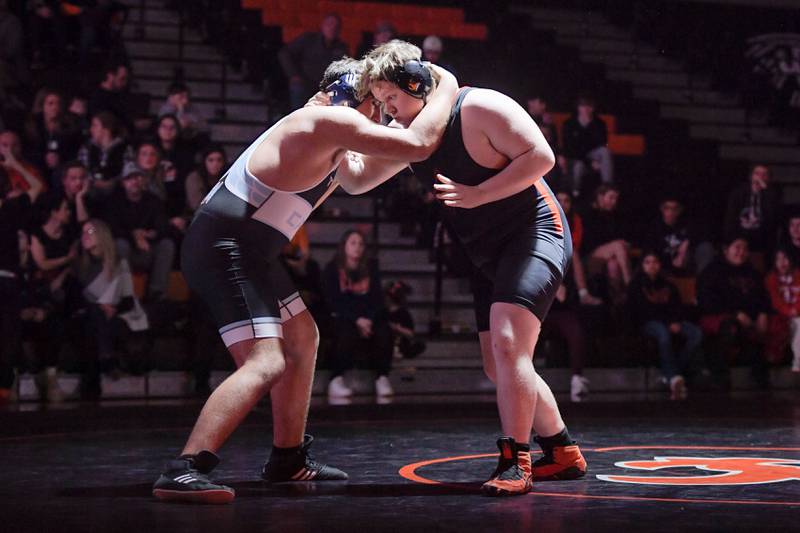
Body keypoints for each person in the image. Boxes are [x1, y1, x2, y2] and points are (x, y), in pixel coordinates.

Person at [151, 54, 458, 503]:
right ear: (351, 101)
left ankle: (288, 459)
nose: (381, 114)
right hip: (226, 247)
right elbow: (416, 145)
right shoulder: (320, 121)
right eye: (376, 104)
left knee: (303, 338)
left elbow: (366, 174)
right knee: (266, 360)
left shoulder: (331, 141)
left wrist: (409, 126)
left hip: (249, 249)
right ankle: (184, 468)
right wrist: (443, 82)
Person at [344, 40, 586, 496]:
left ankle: (516, 463)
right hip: (486, 251)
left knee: (510, 343)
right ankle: (561, 451)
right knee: (500, 365)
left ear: (416, 81)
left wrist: (480, 194)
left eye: (391, 98)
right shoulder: (415, 137)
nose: (389, 111)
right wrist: (334, 140)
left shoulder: (479, 107)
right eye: (381, 104)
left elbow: (542, 157)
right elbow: (358, 181)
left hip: (535, 234)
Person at [76, 218, 148, 399]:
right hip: (88, 314)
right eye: (83, 232)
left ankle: (93, 379)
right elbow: (75, 298)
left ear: (102, 236)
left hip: (115, 315)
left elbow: (128, 299)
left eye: (90, 232)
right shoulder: (80, 265)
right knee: (93, 318)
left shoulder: (117, 263)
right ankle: (106, 358)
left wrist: (112, 309)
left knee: (99, 325)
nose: (85, 236)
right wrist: (100, 306)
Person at [322, 229, 394, 398]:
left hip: (367, 317)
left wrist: (368, 319)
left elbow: (376, 298)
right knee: (346, 332)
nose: (357, 247)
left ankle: (382, 377)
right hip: (344, 316)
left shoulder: (371, 267)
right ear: (344, 246)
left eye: (361, 244)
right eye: (353, 243)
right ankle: (336, 379)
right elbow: (333, 300)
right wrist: (356, 319)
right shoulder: (333, 269)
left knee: (384, 330)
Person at [627, 252, 703, 400]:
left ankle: (672, 372)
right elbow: (640, 311)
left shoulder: (668, 285)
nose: (651, 265)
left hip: (671, 321)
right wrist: (667, 323)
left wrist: (674, 321)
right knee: (663, 334)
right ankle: (673, 375)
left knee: (695, 333)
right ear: (642, 265)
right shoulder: (635, 285)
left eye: (655, 261)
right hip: (647, 323)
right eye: (647, 262)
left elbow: (677, 307)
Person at [697, 236, 771, 388]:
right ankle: (720, 378)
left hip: (748, 318)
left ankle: (761, 379)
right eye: (737, 247)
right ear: (726, 250)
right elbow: (708, 300)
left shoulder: (752, 272)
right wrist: (735, 313)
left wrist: (762, 313)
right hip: (719, 316)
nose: (741, 252)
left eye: (745, 248)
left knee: (769, 328)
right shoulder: (712, 271)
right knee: (729, 327)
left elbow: (763, 296)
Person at [0, 159, 43, 404]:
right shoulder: (13, 207)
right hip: (8, 281)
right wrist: (16, 163)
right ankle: (5, 389)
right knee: (8, 336)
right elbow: (36, 186)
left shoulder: (13, 207)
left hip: (6, 281)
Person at [104, 164, 175, 301]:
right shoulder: (114, 201)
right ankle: (124, 293)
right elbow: (112, 228)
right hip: (126, 250)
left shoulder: (153, 200)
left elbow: (164, 227)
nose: (134, 181)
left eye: (138, 177)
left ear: (143, 180)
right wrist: (134, 236)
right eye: (130, 178)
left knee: (167, 244)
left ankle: (157, 292)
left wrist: (151, 234)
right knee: (120, 244)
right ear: (123, 182)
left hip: (147, 249)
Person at [278, 13, 348, 111]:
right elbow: (285, 53)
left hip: (325, 87)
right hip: (304, 83)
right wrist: (293, 74)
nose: (332, 28)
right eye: (329, 24)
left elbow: (344, 69)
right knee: (298, 89)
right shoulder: (308, 39)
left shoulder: (341, 48)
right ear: (323, 26)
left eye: (336, 26)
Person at [723, 164, 781, 258]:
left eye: (764, 174)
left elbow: (773, 218)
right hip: (740, 235)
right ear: (751, 176)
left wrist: (766, 190)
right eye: (757, 173)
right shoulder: (738, 193)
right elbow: (730, 219)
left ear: (769, 179)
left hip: (762, 237)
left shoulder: (773, 194)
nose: (760, 177)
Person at [561, 96, 613, 196]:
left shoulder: (599, 124)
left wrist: (595, 161)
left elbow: (602, 143)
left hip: (592, 155)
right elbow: (570, 149)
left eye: (589, 106)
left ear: (593, 108)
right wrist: (590, 162)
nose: (586, 109)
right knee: (578, 167)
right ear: (578, 107)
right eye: (583, 106)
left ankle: (607, 186)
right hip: (576, 158)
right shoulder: (569, 124)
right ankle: (574, 194)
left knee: (605, 152)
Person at [763, 248, 800, 372]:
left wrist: (795, 310)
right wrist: (788, 311)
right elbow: (775, 300)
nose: (782, 262)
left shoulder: (798, 275)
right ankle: (774, 360)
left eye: (785, 258)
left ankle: (798, 363)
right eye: (778, 259)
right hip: (779, 315)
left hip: (797, 314)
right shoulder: (771, 278)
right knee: (777, 325)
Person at [77, 111, 128, 192]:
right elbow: (82, 168)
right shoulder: (87, 147)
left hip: (116, 190)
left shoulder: (124, 148)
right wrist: (93, 181)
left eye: (95, 126)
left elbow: (128, 171)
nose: (91, 129)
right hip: (91, 189)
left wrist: (113, 182)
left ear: (106, 129)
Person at [185, 144, 226, 215]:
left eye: (219, 160)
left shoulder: (226, 178)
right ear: (204, 162)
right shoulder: (194, 178)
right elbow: (196, 206)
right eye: (211, 160)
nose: (215, 164)